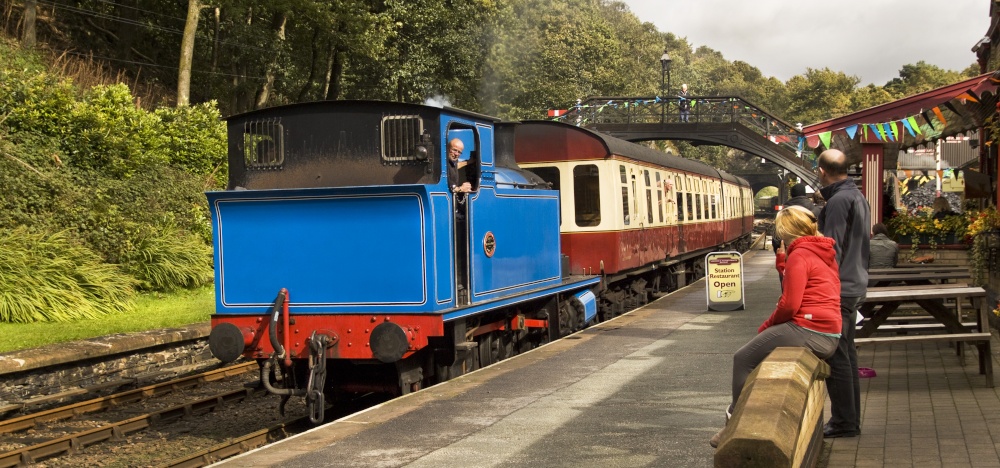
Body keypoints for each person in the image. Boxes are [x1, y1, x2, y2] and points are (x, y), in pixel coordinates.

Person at [710, 205, 842, 448]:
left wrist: (767, 326)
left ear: (785, 232)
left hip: (809, 329)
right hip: (829, 331)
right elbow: (804, 286)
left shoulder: (799, 255)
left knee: (743, 357)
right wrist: (783, 264)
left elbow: (789, 305)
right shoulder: (822, 251)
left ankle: (734, 422)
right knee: (758, 350)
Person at [816, 148, 870, 439]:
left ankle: (844, 422)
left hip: (840, 287)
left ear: (821, 171)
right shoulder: (857, 196)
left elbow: (831, 248)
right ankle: (849, 420)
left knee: (836, 356)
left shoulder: (838, 201)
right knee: (847, 355)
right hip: (855, 283)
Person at [772, 183, 821, 254]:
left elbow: (777, 235)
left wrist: (779, 252)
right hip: (812, 252)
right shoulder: (816, 210)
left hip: (789, 252)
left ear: (791, 195)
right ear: (805, 194)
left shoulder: (784, 211)